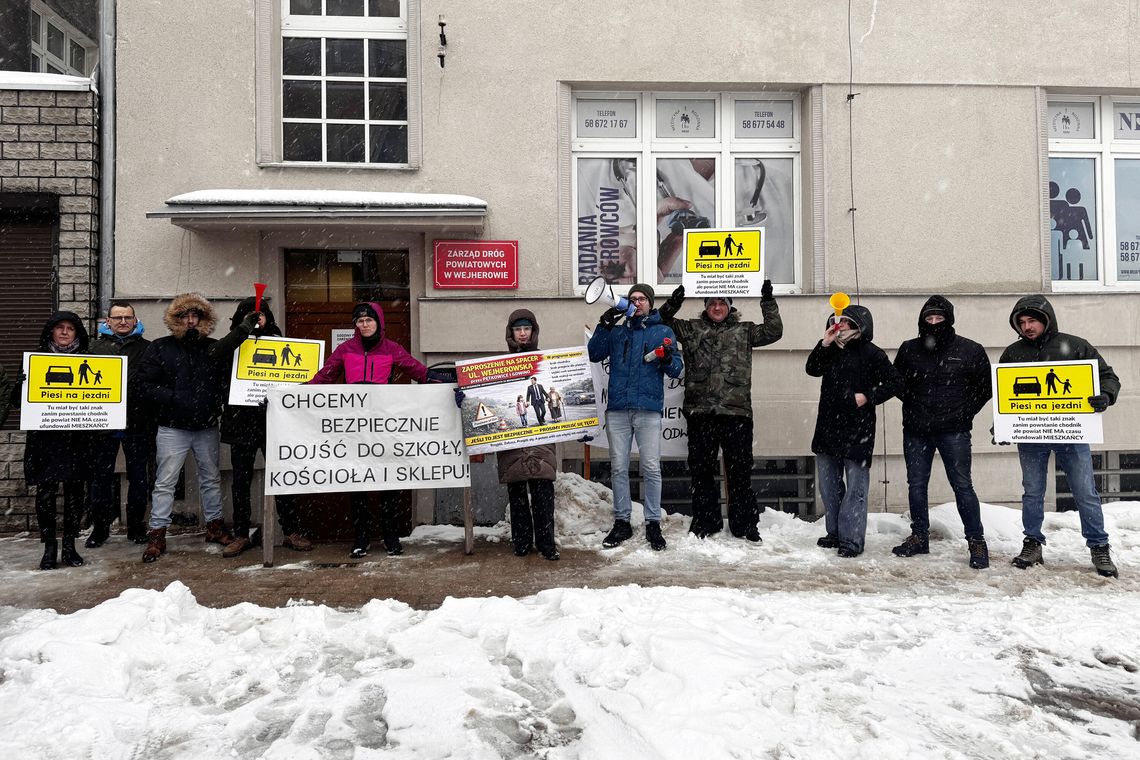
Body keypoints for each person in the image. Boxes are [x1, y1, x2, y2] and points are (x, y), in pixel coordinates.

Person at [309, 301, 451, 558]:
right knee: (357, 483)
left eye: (368, 320)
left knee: (389, 482)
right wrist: (288, 395)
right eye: (359, 321)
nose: (364, 325)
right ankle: (361, 538)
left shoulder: (391, 349)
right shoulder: (345, 349)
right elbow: (323, 378)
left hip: (384, 427)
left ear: (379, 322)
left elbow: (419, 373)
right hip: (355, 428)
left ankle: (391, 536)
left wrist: (452, 382)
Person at [1000, 295, 1119, 578]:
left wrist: (1105, 395)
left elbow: (1108, 376)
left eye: (1032, 321)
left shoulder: (1076, 346)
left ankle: (1099, 546)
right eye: (1022, 322)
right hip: (1031, 434)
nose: (1027, 327)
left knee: (1085, 491)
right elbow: (1004, 394)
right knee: (1032, 491)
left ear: (1046, 320)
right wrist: (1002, 425)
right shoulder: (1013, 353)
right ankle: (1032, 543)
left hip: (1071, 430)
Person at [135, 293, 259, 563]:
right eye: (185, 316)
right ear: (176, 319)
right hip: (172, 427)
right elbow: (144, 385)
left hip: (206, 426)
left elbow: (229, 381)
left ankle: (214, 526)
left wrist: (216, 403)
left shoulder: (213, 347)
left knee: (211, 478)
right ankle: (157, 532)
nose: (191, 321)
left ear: (203, 319)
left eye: (196, 316)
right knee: (165, 482)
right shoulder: (160, 348)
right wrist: (173, 398)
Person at [658, 280, 783, 541]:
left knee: (740, 471)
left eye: (722, 303)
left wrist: (767, 300)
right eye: (712, 302)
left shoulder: (744, 331)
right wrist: (674, 301)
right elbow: (659, 323)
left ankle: (744, 524)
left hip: (736, 413)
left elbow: (774, 331)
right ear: (705, 307)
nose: (717, 307)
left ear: (729, 306)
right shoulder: (690, 329)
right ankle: (706, 521)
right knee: (702, 470)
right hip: (700, 413)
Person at [891, 296, 993, 569]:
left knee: (962, 486)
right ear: (922, 320)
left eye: (939, 317)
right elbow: (896, 382)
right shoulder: (909, 349)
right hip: (916, 429)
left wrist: (965, 411)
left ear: (949, 319)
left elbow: (986, 387)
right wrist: (915, 404)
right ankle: (919, 536)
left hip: (954, 430)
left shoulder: (970, 350)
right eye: (929, 318)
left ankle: (976, 541)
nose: (934, 322)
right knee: (916, 485)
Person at [588, 283, 683, 550]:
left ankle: (653, 522)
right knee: (618, 468)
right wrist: (604, 325)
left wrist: (665, 359)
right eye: (632, 298)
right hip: (618, 410)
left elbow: (676, 369)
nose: (637, 302)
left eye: (642, 298)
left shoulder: (662, 331)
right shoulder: (617, 332)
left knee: (651, 467)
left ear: (651, 303)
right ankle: (622, 522)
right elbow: (595, 353)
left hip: (648, 410)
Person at [806, 304, 903, 558]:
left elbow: (895, 382)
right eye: (837, 322)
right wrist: (824, 343)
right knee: (829, 487)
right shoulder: (829, 349)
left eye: (846, 323)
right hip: (827, 428)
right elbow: (812, 369)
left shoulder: (872, 353)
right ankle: (835, 533)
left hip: (858, 431)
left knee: (855, 491)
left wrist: (867, 396)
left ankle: (851, 540)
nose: (840, 327)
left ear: (860, 326)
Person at [219, 297, 312, 558]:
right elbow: (215, 356)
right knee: (241, 482)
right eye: (250, 315)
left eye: (260, 315)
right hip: (240, 423)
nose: (256, 319)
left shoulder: (278, 340)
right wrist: (244, 329)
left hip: (273, 422)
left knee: (282, 479)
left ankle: (290, 531)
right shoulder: (232, 342)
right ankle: (240, 534)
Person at [24, 312, 96, 569]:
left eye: (70, 329)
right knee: (45, 494)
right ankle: (49, 547)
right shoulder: (35, 361)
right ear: (51, 332)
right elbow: (17, 404)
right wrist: (23, 386)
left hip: (77, 439)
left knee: (75, 494)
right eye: (59, 328)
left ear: (77, 334)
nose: (65, 332)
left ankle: (69, 545)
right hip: (45, 439)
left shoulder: (90, 362)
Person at [86, 301, 154, 547]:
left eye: (128, 317)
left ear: (135, 320)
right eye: (118, 318)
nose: (123, 322)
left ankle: (136, 527)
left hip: (137, 423)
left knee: (139, 478)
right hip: (102, 425)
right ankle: (100, 529)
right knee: (100, 478)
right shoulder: (93, 348)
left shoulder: (148, 349)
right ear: (108, 321)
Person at [498, 310, 559, 560]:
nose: (522, 334)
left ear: (534, 331)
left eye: (527, 329)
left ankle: (546, 544)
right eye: (517, 329)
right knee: (518, 493)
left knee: (542, 489)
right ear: (511, 333)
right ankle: (521, 541)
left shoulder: (546, 363)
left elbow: (552, 391)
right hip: (512, 435)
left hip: (540, 433)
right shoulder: (498, 366)